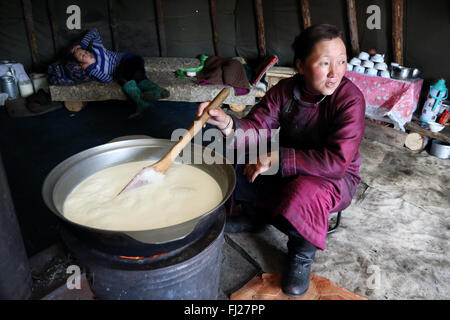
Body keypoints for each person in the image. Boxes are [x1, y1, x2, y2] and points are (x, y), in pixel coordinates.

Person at [197, 24, 366, 297]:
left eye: (342, 62)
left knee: (304, 191)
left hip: (333, 178)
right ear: (301, 65)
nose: (335, 73)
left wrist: (277, 158)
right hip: (288, 163)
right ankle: (256, 216)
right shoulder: (285, 90)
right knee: (233, 165)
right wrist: (227, 123)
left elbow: (336, 163)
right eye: (324, 63)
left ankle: (301, 253)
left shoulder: (350, 100)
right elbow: (257, 127)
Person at [70, 28, 170, 118]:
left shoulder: (97, 49)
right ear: (82, 64)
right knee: (125, 79)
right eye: (82, 56)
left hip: (128, 59)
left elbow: (94, 31)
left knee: (129, 74)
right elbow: (108, 79)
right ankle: (153, 95)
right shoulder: (94, 69)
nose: (86, 53)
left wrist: (81, 45)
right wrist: (90, 69)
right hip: (121, 73)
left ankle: (144, 100)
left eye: (84, 51)